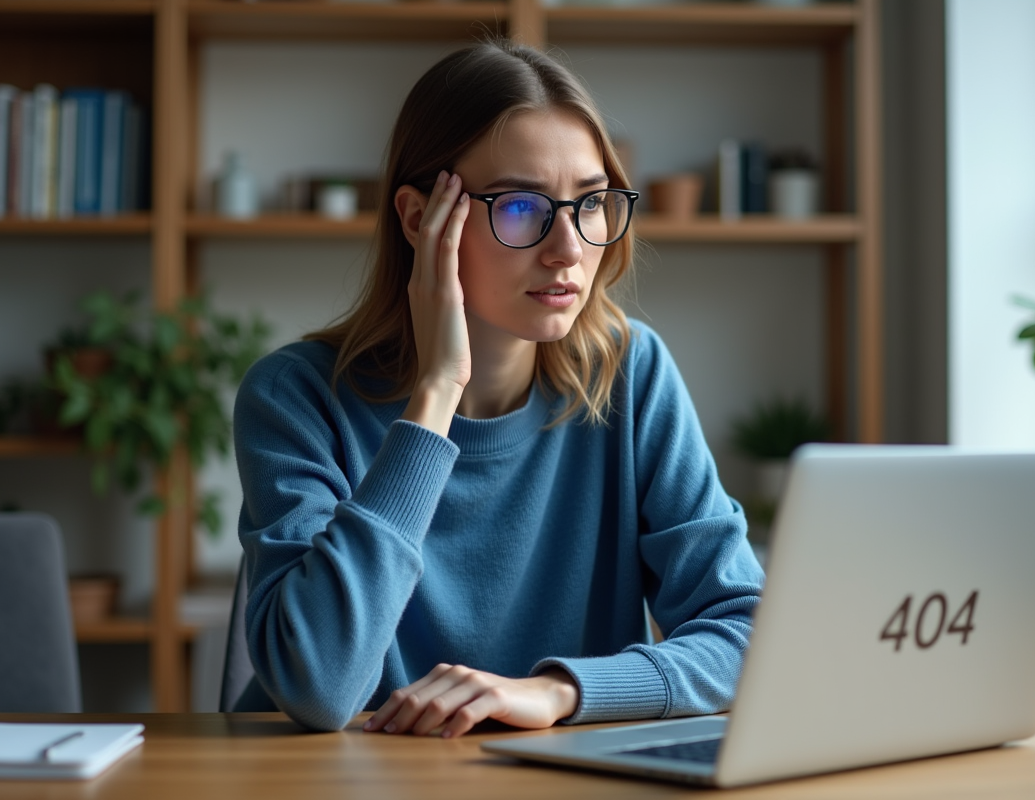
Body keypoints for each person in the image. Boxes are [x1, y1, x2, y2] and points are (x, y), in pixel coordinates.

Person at [232, 38, 764, 736]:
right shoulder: (295, 396)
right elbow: (319, 688)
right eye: (520, 207)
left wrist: (558, 691)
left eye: (591, 203)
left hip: (552, 775)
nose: (569, 249)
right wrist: (436, 394)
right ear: (420, 220)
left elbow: (747, 635)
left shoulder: (629, 373)